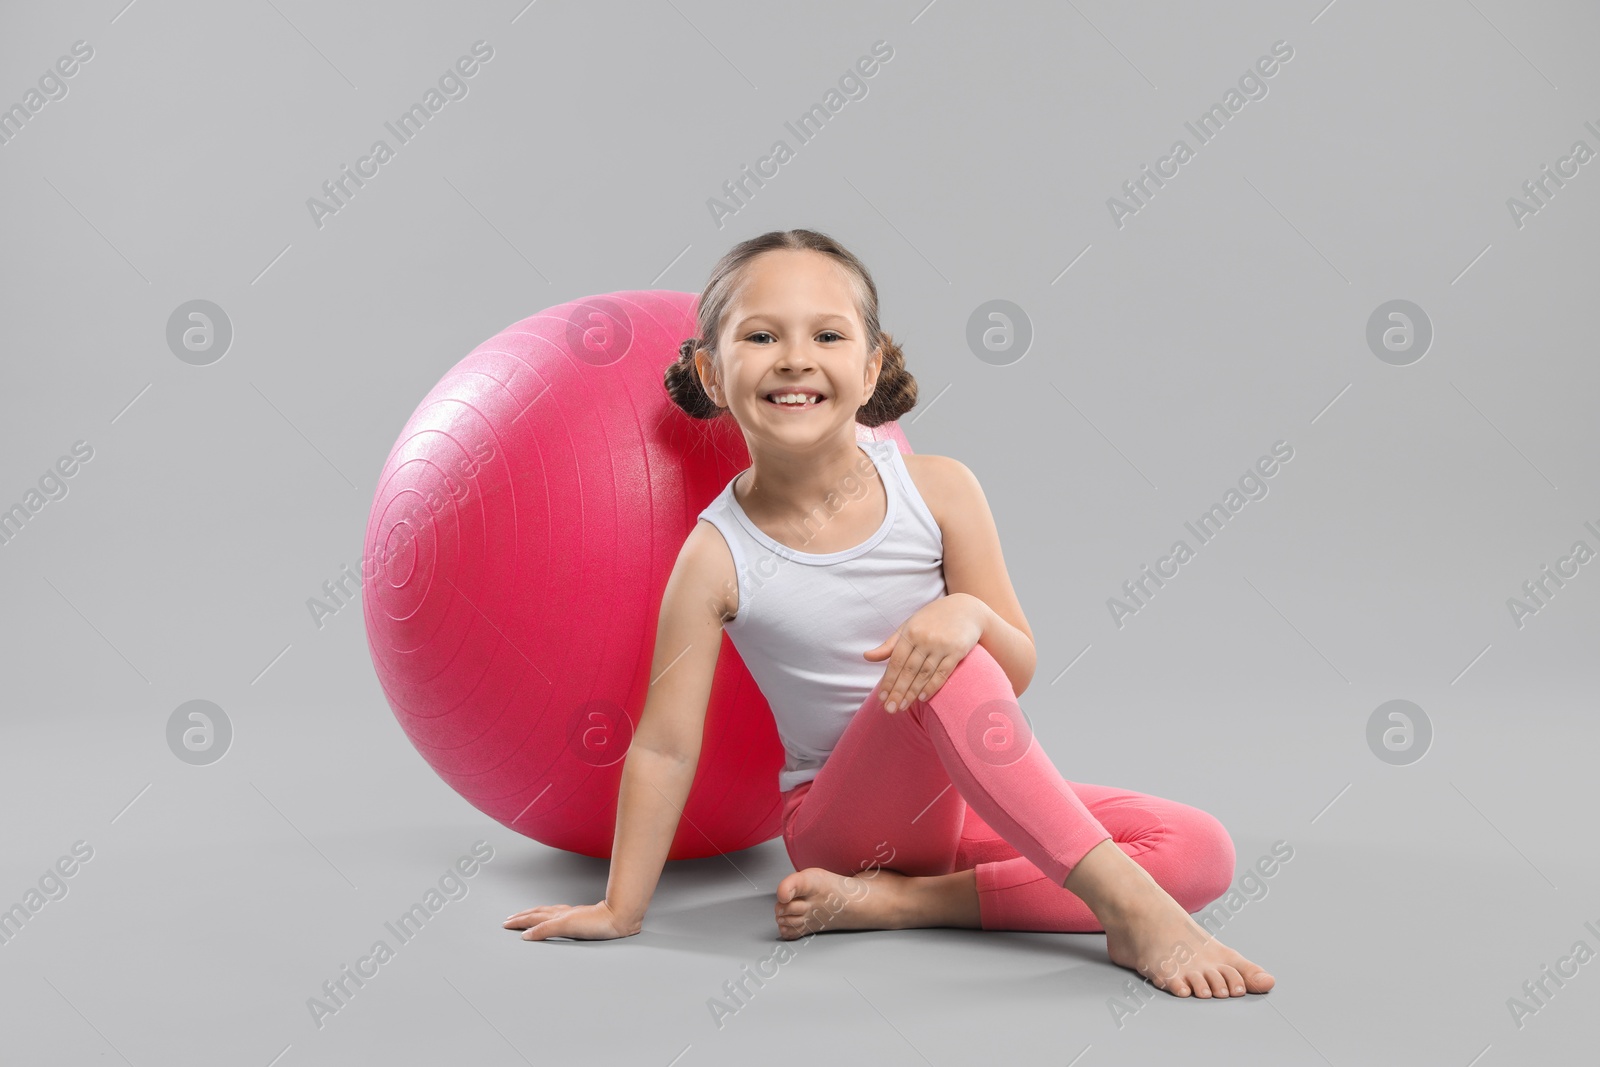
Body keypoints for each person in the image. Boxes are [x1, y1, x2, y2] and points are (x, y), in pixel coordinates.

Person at [503, 229, 1274, 999]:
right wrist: (620, 907)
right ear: (712, 369)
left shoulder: (938, 489)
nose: (796, 357)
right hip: (839, 827)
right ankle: (1131, 909)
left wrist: (967, 611)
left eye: (828, 335)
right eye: (762, 335)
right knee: (945, 660)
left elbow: (1018, 670)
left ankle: (909, 902)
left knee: (1199, 851)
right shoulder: (715, 556)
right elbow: (667, 748)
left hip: (954, 802)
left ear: (870, 365)